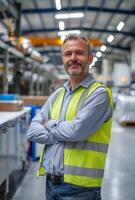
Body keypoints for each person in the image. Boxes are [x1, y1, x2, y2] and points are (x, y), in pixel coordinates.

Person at [27, 34, 113, 200]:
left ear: (90, 58)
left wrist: (50, 123)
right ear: (63, 60)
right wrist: (63, 133)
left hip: (81, 189)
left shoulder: (99, 94)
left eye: (79, 53)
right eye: (68, 54)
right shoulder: (57, 95)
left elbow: (76, 132)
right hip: (51, 183)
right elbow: (32, 131)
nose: (73, 58)